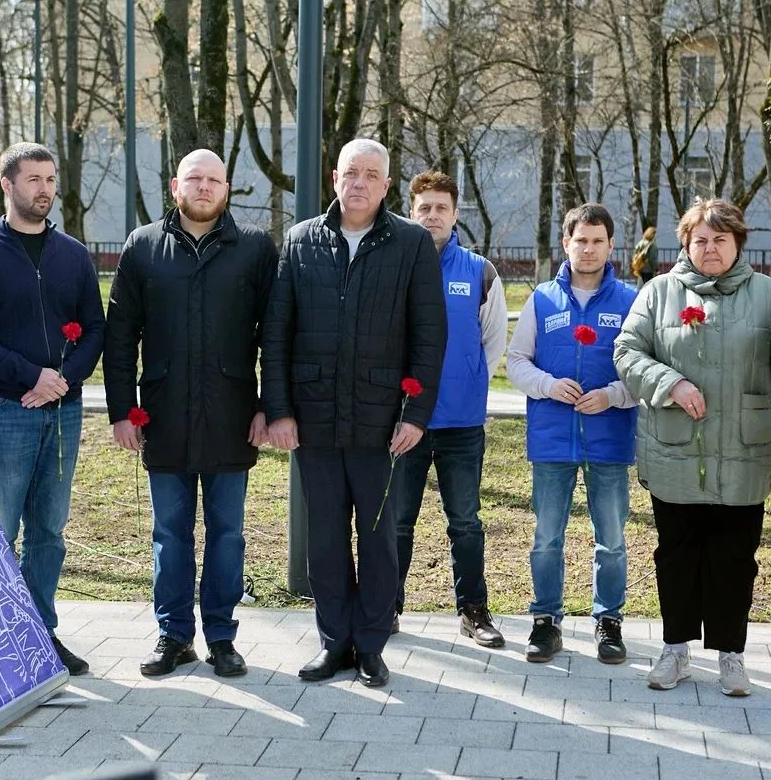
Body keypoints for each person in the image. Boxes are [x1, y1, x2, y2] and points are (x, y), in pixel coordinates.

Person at [261, 138, 447, 688]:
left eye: (371, 174)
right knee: (324, 538)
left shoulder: (410, 243)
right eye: (350, 173)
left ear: (386, 185)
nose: (359, 183)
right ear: (334, 178)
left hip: (381, 421)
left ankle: (371, 644)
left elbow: (429, 335)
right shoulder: (301, 241)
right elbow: (277, 334)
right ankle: (333, 641)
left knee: (377, 536)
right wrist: (279, 409)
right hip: (313, 419)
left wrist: (415, 414)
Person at [614, 198, 771, 696]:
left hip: (745, 449)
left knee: (735, 556)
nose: (710, 248)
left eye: (720, 239)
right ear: (685, 244)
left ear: (739, 242)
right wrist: (671, 384)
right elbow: (627, 351)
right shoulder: (659, 293)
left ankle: (731, 654)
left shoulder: (769, 294)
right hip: (673, 447)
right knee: (676, 552)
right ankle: (674, 649)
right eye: (700, 239)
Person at [103, 149, 278, 679]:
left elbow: (275, 336)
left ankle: (222, 636)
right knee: (169, 533)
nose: (204, 188)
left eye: (214, 180)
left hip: (231, 414)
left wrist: (269, 407)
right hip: (162, 415)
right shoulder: (142, 247)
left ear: (228, 189)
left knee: (228, 533)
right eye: (194, 179)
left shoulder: (253, 248)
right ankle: (174, 636)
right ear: (175, 185)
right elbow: (119, 337)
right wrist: (121, 411)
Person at [0, 142, 105, 676]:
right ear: (7, 183)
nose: (45, 189)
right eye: (33, 179)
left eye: (51, 179)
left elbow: (96, 328)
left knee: (49, 529)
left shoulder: (74, 254)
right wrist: (28, 375)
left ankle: (40, 636)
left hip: (63, 411)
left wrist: (62, 381)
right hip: (1, 409)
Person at [506, 203, 639, 665]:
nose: (588, 249)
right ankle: (545, 620)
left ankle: (609, 620)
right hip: (552, 439)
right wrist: (549, 386)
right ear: (566, 243)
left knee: (612, 538)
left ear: (610, 245)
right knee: (547, 536)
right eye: (580, 240)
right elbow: (516, 363)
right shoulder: (542, 300)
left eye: (597, 240)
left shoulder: (629, 300)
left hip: (610, 437)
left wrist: (613, 396)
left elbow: (644, 370)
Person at [393, 171, 507, 647]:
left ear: (455, 214)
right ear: (411, 211)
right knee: (397, 520)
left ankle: (474, 611)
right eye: (424, 207)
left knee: (465, 521)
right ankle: (386, 605)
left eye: (442, 207)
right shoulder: (394, 265)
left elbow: (493, 342)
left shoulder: (479, 272)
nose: (433, 215)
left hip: (461, 423)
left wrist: (467, 380)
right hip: (402, 423)